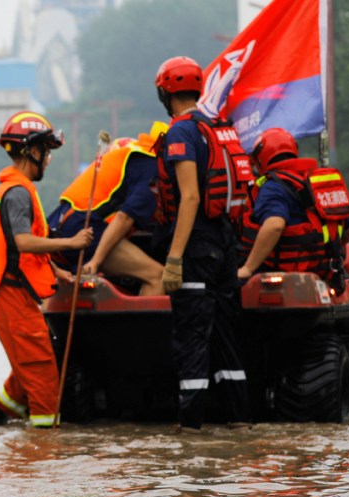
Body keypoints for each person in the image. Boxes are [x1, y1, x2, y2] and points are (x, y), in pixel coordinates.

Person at [0, 111, 93, 429]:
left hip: (11, 292)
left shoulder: (17, 188)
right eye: (46, 152)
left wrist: (57, 273)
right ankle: (42, 451)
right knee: (42, 369)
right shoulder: (19, 193)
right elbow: (23, 242)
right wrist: (71, 243)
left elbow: (17, 249)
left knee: (33, 358)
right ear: (31, 151)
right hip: (9, 295)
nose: (48, 160)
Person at [153, 56, 251, 432]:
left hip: (197, 244)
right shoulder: (218, 127)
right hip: (227, 243)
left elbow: (190, 197)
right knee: (226, 333)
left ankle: (191, 429)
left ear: (164, 92)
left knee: (192, 335)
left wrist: (174, 258)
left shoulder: (181, 132)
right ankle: (239, 419)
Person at [46, 123, 167, 295]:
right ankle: (142, 323)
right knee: (158, 276)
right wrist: (96, 261)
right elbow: (124, 218)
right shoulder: (152, 166)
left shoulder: (135, 155)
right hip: (85, 228)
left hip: (60, 224)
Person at [237, 127, 349, 284]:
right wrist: (326, 249)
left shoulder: (273, 186)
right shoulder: (318, 183)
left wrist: (248, 268)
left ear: (261, 158)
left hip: (282, 273)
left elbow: (275, 225)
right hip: (322, 273)